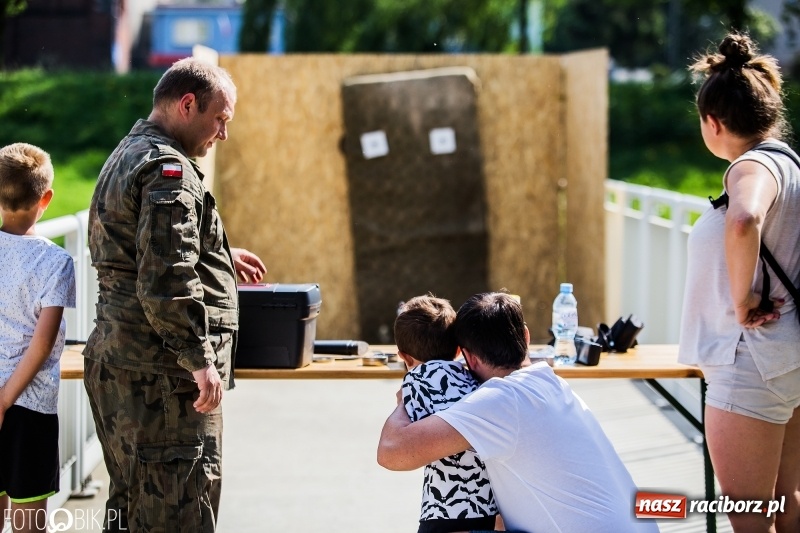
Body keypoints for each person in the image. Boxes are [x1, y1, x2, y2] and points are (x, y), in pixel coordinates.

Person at [83, 58, 267, 533]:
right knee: (180, 511)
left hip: (125, 365)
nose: (222, 133)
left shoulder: (129, 152)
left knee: (130, 506)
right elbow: (165, 276)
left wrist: (217, 250)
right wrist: (198, 359)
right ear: (188, 104)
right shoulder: (171, 170)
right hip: (162, 379)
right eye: (220, 119)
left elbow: (134, 248)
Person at [378, 292, 659, 533]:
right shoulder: (550, 382)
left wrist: (404, 400)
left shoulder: (500, 402)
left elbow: (392, 453)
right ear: (525, 336)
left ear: (469, 357)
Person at [678, 32, 800, 533]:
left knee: (751, 518)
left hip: (746, 361)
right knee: (787, 502)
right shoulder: (790, 164)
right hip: (784, 356)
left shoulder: (751, 166)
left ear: (713, 122)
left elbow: (743, 219)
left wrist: (743, 298)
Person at [0, 143, 76, 533]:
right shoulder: (56, 261)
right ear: (45, 198)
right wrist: (6, 399)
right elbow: (42, 344)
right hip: (29, 411)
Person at [395, 295, 499, 533]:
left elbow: (407, 441)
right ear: (457, 350)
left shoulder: (415, 380)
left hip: (442, 508)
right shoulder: (472, 375)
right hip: (485, 507)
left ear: (404, 356)